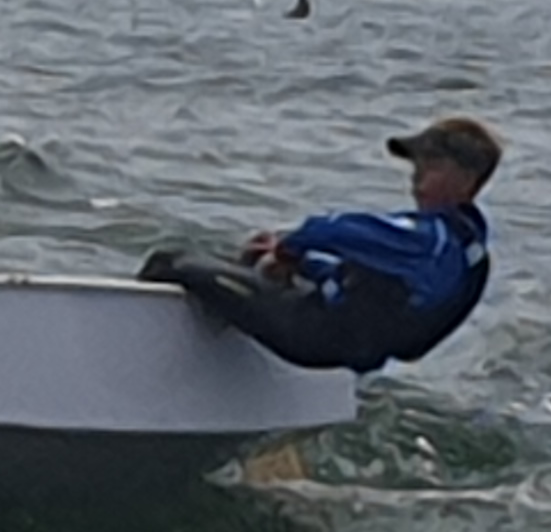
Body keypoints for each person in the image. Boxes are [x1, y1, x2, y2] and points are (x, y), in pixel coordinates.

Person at [139, 116, 500, 373]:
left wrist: (288, 249)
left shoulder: (428, 239)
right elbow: (366, 287)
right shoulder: (463, 249)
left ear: (467, 179)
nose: (417, 176)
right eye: (416, 165)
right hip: (347, 344)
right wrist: (302, 264)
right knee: (242, 269)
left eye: (432, 165)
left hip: (312, 335)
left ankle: (142, 364)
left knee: (172, 262)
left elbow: (329, 230)